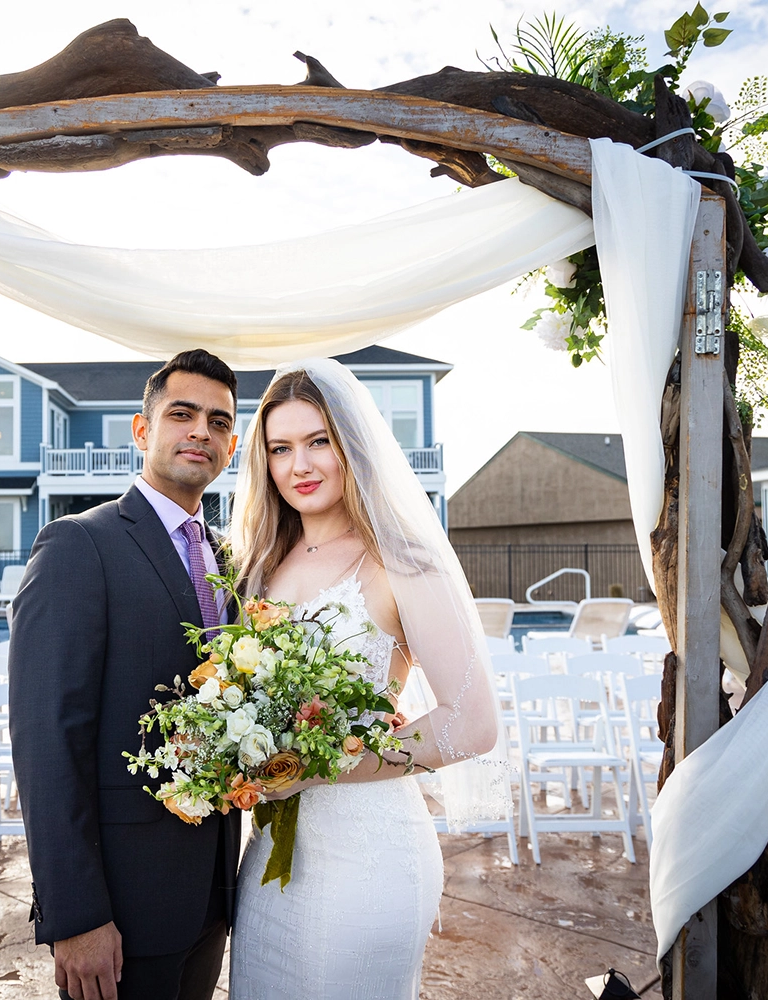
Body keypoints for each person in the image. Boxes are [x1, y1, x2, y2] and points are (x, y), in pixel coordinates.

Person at [226, 359, 501, 1000]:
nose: (300, 465)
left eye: (319, 441)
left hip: (368, 857)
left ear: (352, 444)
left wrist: (315, 768)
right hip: (269, 860)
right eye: (280, 448)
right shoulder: (260, 563)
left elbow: (472, 724)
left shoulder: (401, 561)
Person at [9, 349, 243, 1000]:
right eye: (182, 414)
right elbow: (46, 742)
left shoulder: (228, 559)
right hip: (120, 907)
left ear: (231, 446)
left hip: (212, 898)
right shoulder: (78, 545)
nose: (201, 432)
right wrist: (75, 915)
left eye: (220, 422)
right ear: (142, 430)